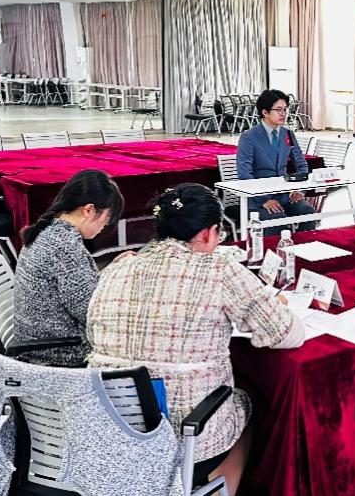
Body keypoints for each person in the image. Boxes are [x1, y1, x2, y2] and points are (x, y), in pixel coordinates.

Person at [87, 184, 304, 493]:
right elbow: (287, 333)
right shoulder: (219, 269)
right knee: (247, 405)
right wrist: (276, 306)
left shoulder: (116, 268)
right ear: (207, 234)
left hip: (112, 433)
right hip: (184, 438)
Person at [13, 169, 123, 367]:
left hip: (37, 342)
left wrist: (112, 269)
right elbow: (92, 314)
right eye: (106, 220)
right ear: (88, 210)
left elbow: (77, 291)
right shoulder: (65, 247)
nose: (104, 227)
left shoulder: (48, 231)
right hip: (59, 353)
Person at [236, 89, 317, 235]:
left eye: (285, 110)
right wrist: (263, 200)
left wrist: (300, 190)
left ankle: (303, 244)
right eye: (278, 110)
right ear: (265, 112)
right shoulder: (248, 137)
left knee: (308, 212)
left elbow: (301, 164)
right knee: (278, 220)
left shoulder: (288, 134)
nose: (283, 114)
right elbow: (244, 173)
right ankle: (280, 248)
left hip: (284, 195)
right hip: (257, 199)